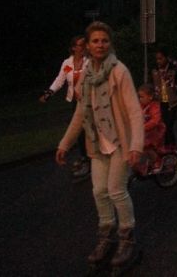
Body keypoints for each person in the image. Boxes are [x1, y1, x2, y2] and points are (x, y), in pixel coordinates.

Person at [56, 21, 144, 268]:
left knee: (116, 190)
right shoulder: (86, 75)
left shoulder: (119, 71)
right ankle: (106, 237)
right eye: (95, 41)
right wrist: (64, 144)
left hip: (120, 143)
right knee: (99, 192)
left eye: (104, 40)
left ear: (110, 44)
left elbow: (135, 111)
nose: (100, 45)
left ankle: (127, 238)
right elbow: (80, 114)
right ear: (87, 45)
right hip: (97, 144)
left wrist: (136, 145)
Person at [41, 35, 89, 179]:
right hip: (75, 101)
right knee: (79, 131)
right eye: (80, 45)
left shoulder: (89, 62)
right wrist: (49, 93)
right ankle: (85, 158)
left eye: (84, 44)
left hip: (89, 101)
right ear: (74, 48)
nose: (83, 48)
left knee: (90, 131)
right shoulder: (68, 63)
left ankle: (93, 158)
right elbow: (60, 79)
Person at [151, 48, 177, 147]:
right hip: (161, 101)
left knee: (168, 125)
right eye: (157, 59)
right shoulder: (155, 70)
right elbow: (153, 84)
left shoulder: (174, 68)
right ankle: (170, 145)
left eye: (161, 58)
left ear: (166, 58)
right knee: (164, 125)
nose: (158, 61)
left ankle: (169, 145)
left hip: (172, 101)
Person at [137, 85, 165, 172]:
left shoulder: (154, 107)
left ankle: (157, 161)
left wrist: (143, 127)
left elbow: (155, 121)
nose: (140, 99)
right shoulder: (141, 106)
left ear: (150, 97)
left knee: (147, 146)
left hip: (155, 131)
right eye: (139, 97)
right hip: (145, 131)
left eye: (142, 97)